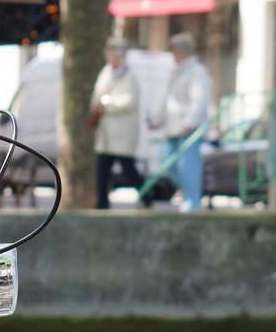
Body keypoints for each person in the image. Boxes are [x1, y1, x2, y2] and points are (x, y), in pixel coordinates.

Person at [155, 31, 214, 211]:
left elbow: (199, 99)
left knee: (188, 165)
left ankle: (193, 201)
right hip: (172, 127)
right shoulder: (176, 71)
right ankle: (187, 194)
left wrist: (190, 122)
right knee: (167, 162)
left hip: (188, 128)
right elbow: (168, 99)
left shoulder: (197, 72)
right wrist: (158, 119)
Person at [89, 36, 142, 208]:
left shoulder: (130, 75)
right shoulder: (105, 72)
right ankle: (102, 202)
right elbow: (97, 95)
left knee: (128, 169)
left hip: (122, 132)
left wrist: (106, 104)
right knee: (102, 169)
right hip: (106, 132)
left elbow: (129, 101)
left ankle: (147, 194)